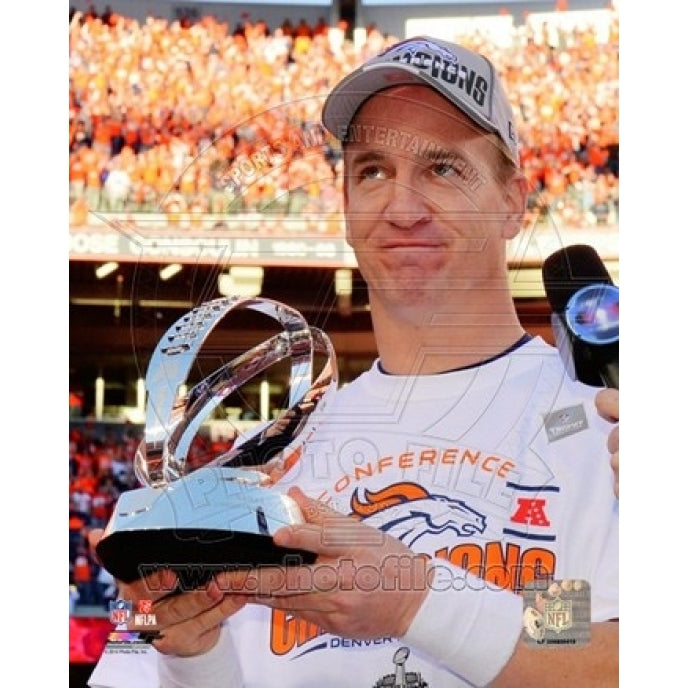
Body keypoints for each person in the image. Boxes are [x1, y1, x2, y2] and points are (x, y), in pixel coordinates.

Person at [88, 36, 619, 687]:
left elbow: (612, 657)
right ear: (344, 207)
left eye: (443, 169)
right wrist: (187, 652)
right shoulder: (267, 459)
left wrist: (411, 602)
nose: (402, 208)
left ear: (514, 201)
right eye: (371, 171)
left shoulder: (603, 428)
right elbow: (131, 654)